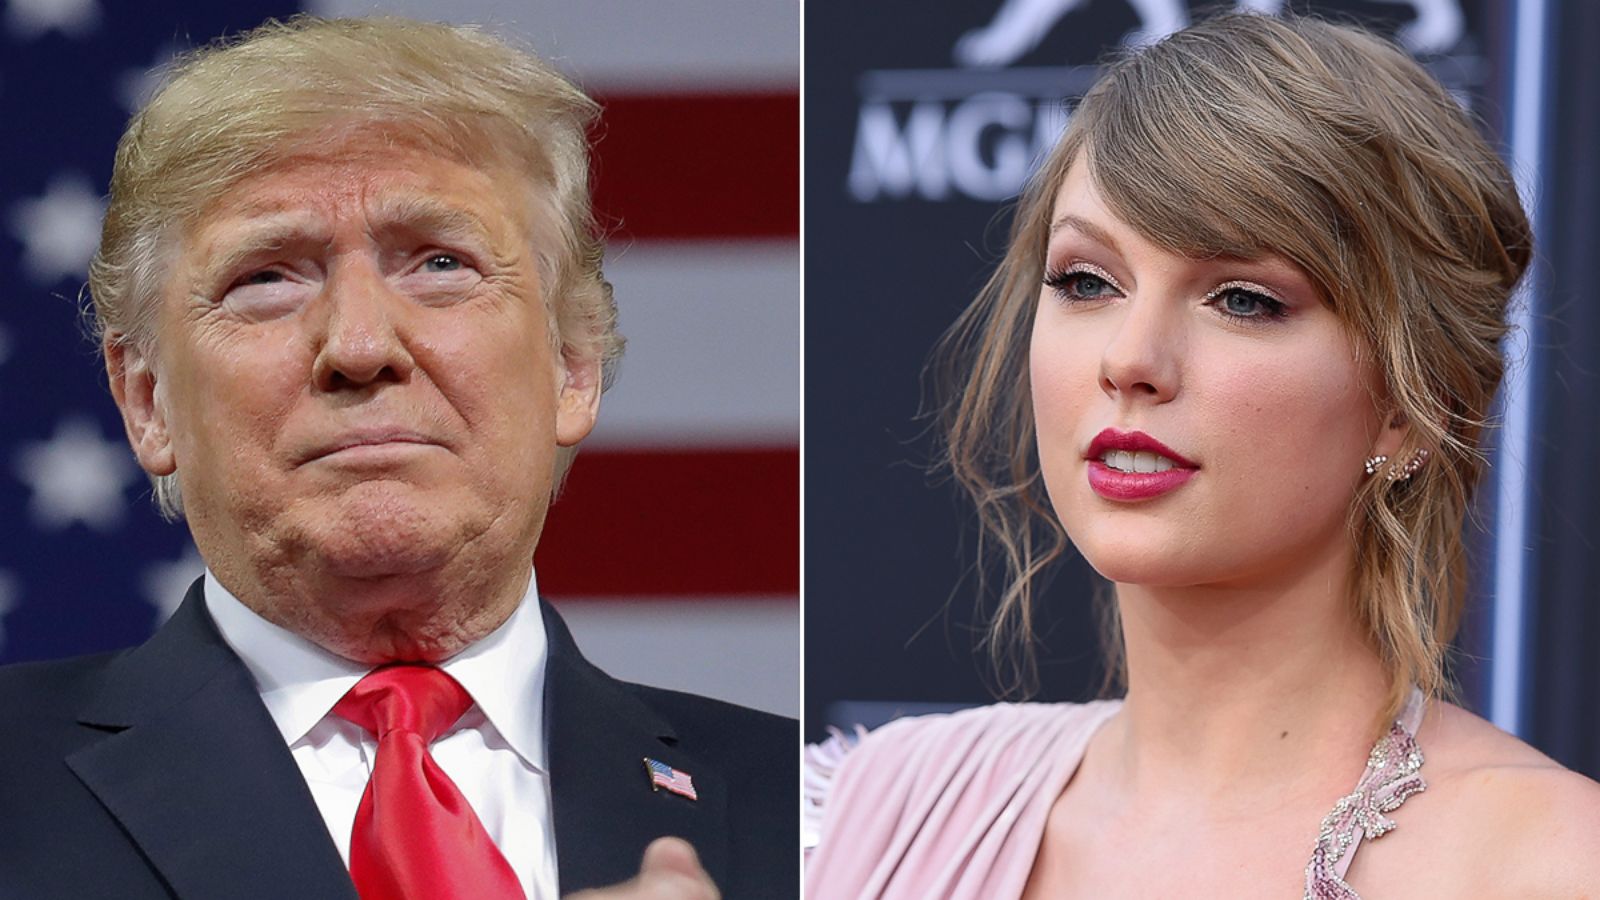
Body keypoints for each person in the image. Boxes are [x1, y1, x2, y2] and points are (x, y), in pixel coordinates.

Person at [805, 13, 1600, 899]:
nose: (1131, 360)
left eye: (1244, 300)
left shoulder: (1549, 863)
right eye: (1087, 282)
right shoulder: (866, 816)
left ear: (1412, 408)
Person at [0, 16, 794, 900]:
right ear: (147, 400)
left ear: (573, 364)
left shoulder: (812, 814)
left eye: (441, 262)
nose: (361, 343)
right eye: (267, 276)